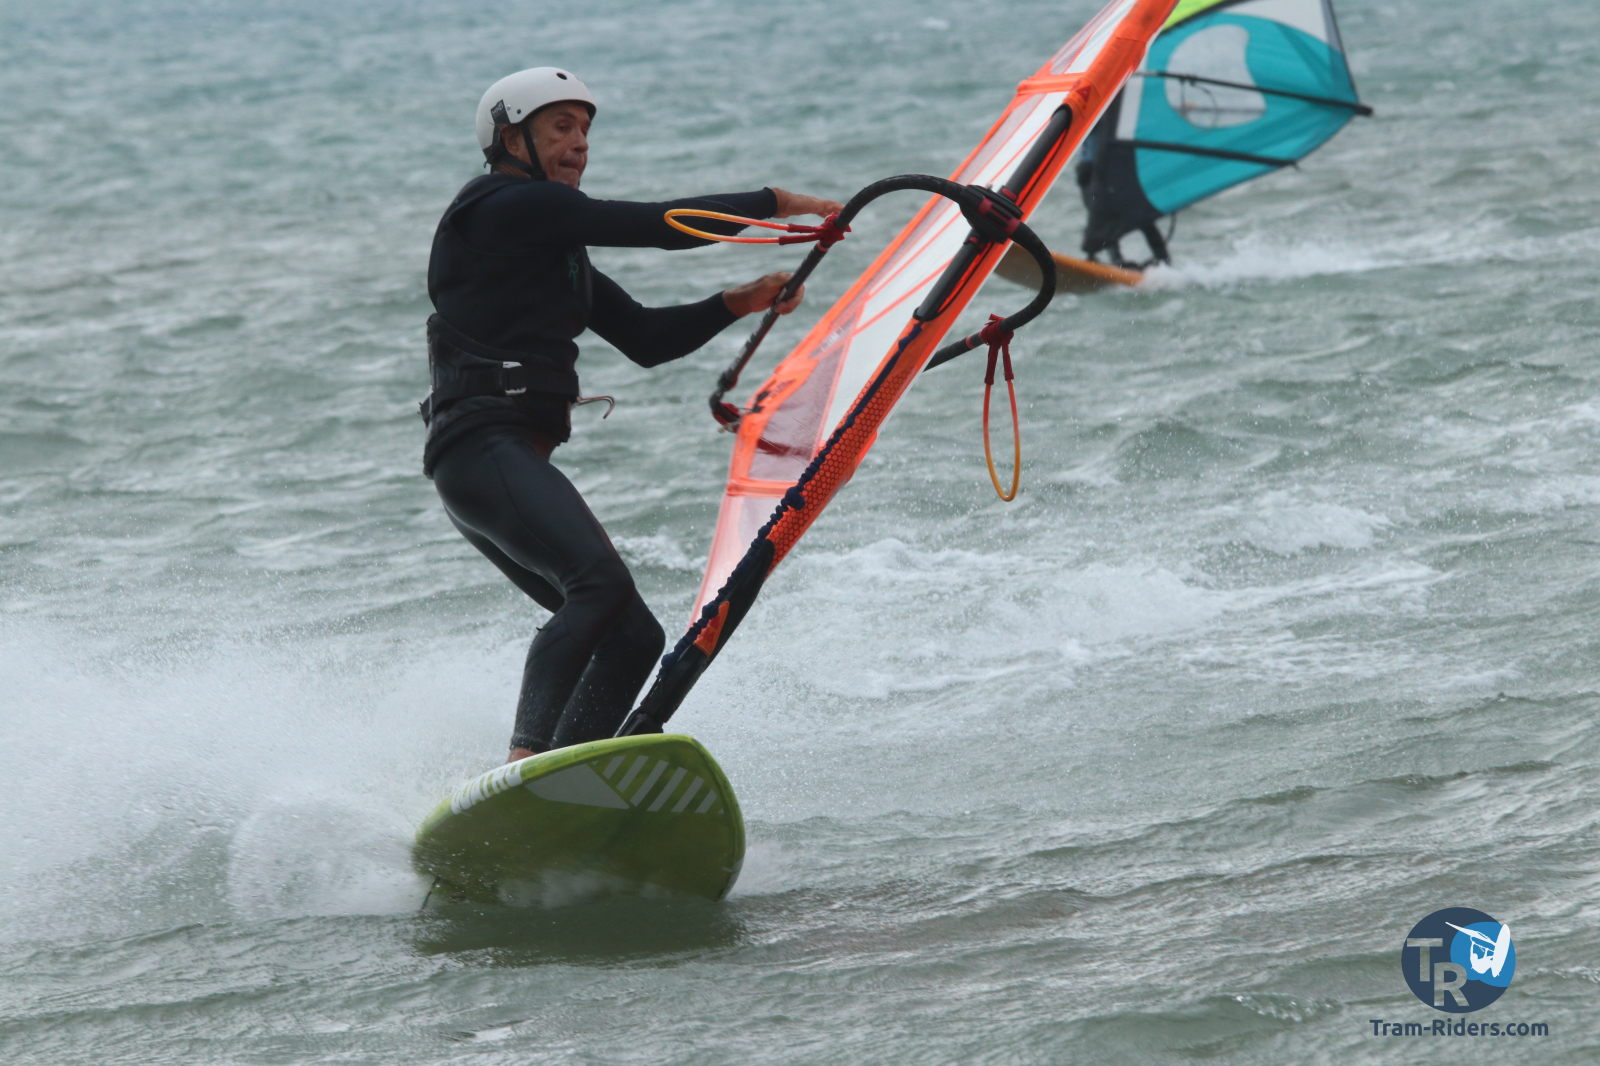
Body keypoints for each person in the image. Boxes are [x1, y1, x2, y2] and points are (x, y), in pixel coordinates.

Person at [421, 67, 842, 764]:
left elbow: (646, 339)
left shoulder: (552, 253)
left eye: (586, 130)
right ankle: (524, 762)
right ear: (512, 139)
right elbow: (663, 225)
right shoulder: (500, 205)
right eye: (561, 127)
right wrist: (773, 202)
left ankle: (566, 774)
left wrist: (737, 302)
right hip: (480, 449)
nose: (580, 143)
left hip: (496, 460)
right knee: (597, 589)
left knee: (632, 635)